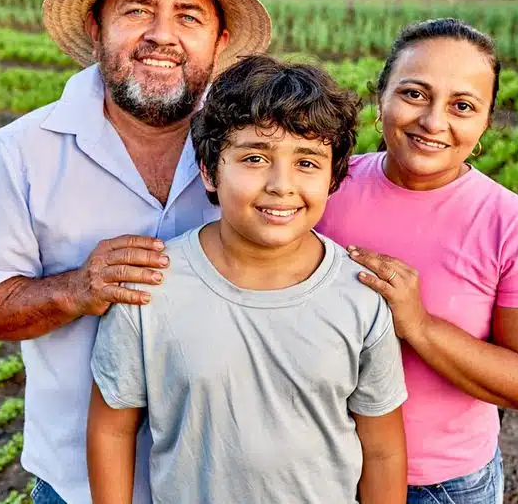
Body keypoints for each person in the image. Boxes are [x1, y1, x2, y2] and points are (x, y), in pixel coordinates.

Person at [0, 0, 273, 504]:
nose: (161, 36)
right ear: (97, 28)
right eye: (137, 11)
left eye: (188, 17)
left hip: (227, 482)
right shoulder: (23, 150)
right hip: (77, 485)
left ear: (219, 41)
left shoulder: (258, 152)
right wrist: (78, 289)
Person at [87, 55, 408, 504]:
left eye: (308, 162)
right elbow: (112, 430)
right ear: (209, 169)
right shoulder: (150, 287)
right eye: (255, 157)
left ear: (334, 178)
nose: (281, 184)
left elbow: (383, 450)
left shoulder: (359, 294)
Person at [315, 18, 518, 504]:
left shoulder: (514, 227)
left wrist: (421, 325)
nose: (434, 121)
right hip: (317, 467)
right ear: (381, 98)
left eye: (462, 106)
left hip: (437, 485)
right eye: (414, 94)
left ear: (484, 124)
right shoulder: (322, 187)